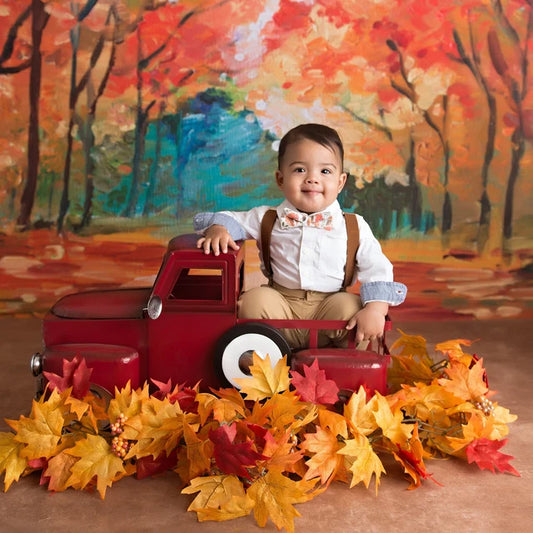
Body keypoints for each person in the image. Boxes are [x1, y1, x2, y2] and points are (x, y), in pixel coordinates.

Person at [193, 123, 406, 349]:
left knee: (351, 308)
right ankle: (267, 361)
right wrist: (219, 229)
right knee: (253, 301)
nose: (312, 179)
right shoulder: (268, 218)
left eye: (325, 171)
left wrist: (376, 309)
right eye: (299, 170)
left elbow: (378, 268)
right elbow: (231, 219)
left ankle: (344, 364)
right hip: (281, 305)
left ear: (341, 182)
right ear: (281, 179)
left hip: (330, 309)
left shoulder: (353, 226)